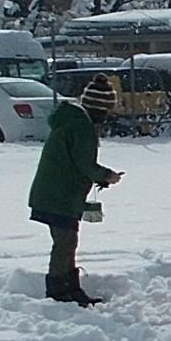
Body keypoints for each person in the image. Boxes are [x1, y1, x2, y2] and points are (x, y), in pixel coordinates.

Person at [27, 75, 123, 305]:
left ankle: (70, 289)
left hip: (55, 194)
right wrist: (107, 175)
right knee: (65, 243)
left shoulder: (72, 120)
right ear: (101, 109)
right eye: (107, 110)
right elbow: (85, 164)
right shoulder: (82, 127)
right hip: (60, 196)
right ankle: (59, 292)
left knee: (67, 241)